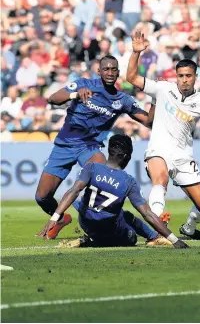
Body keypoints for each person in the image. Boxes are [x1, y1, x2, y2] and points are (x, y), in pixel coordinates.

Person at [126, 31, 200, 239]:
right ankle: (158, 228)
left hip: (183, 156)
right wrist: (135, 53)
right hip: (159, 150)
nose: (184, 80)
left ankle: (188, 228)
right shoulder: (163, 88)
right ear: (176, 76)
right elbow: (132, 78)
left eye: (188, 76)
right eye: (181, 76)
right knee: (160, 179)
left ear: (195, 77)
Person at [35, 55, 154, 240]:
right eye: (105, 69)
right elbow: (53, 98)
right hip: (64, 145)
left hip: (89, 148)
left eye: (113, 69)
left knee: (104, 177)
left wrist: (155, 97)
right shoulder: (84, 84)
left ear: (118, 73)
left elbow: (148, 121)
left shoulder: (123, 100)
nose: (110, 72)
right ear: (99, 71)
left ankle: (114, 222)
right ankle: (59, 219)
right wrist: (75, 94)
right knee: (42, 197)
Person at [38, 134, 188, 249]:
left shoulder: (91, 167)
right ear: (126, 156)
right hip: (107, 228)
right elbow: (147, 213)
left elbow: (74, 191)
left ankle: (154, 237)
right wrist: (175, 240)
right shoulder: (128, 181)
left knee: (125, 215)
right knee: (132, 239)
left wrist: (55, 217)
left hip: (85, 221)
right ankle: (90, 241)